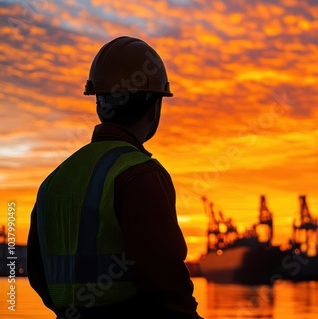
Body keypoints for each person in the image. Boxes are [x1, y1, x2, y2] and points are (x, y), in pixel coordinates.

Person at [27, 36, 203, 319]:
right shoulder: (139, 174)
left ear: (99, 105)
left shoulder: (53, 181)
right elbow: (166, 279)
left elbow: (37, 273)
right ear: (154, 107)